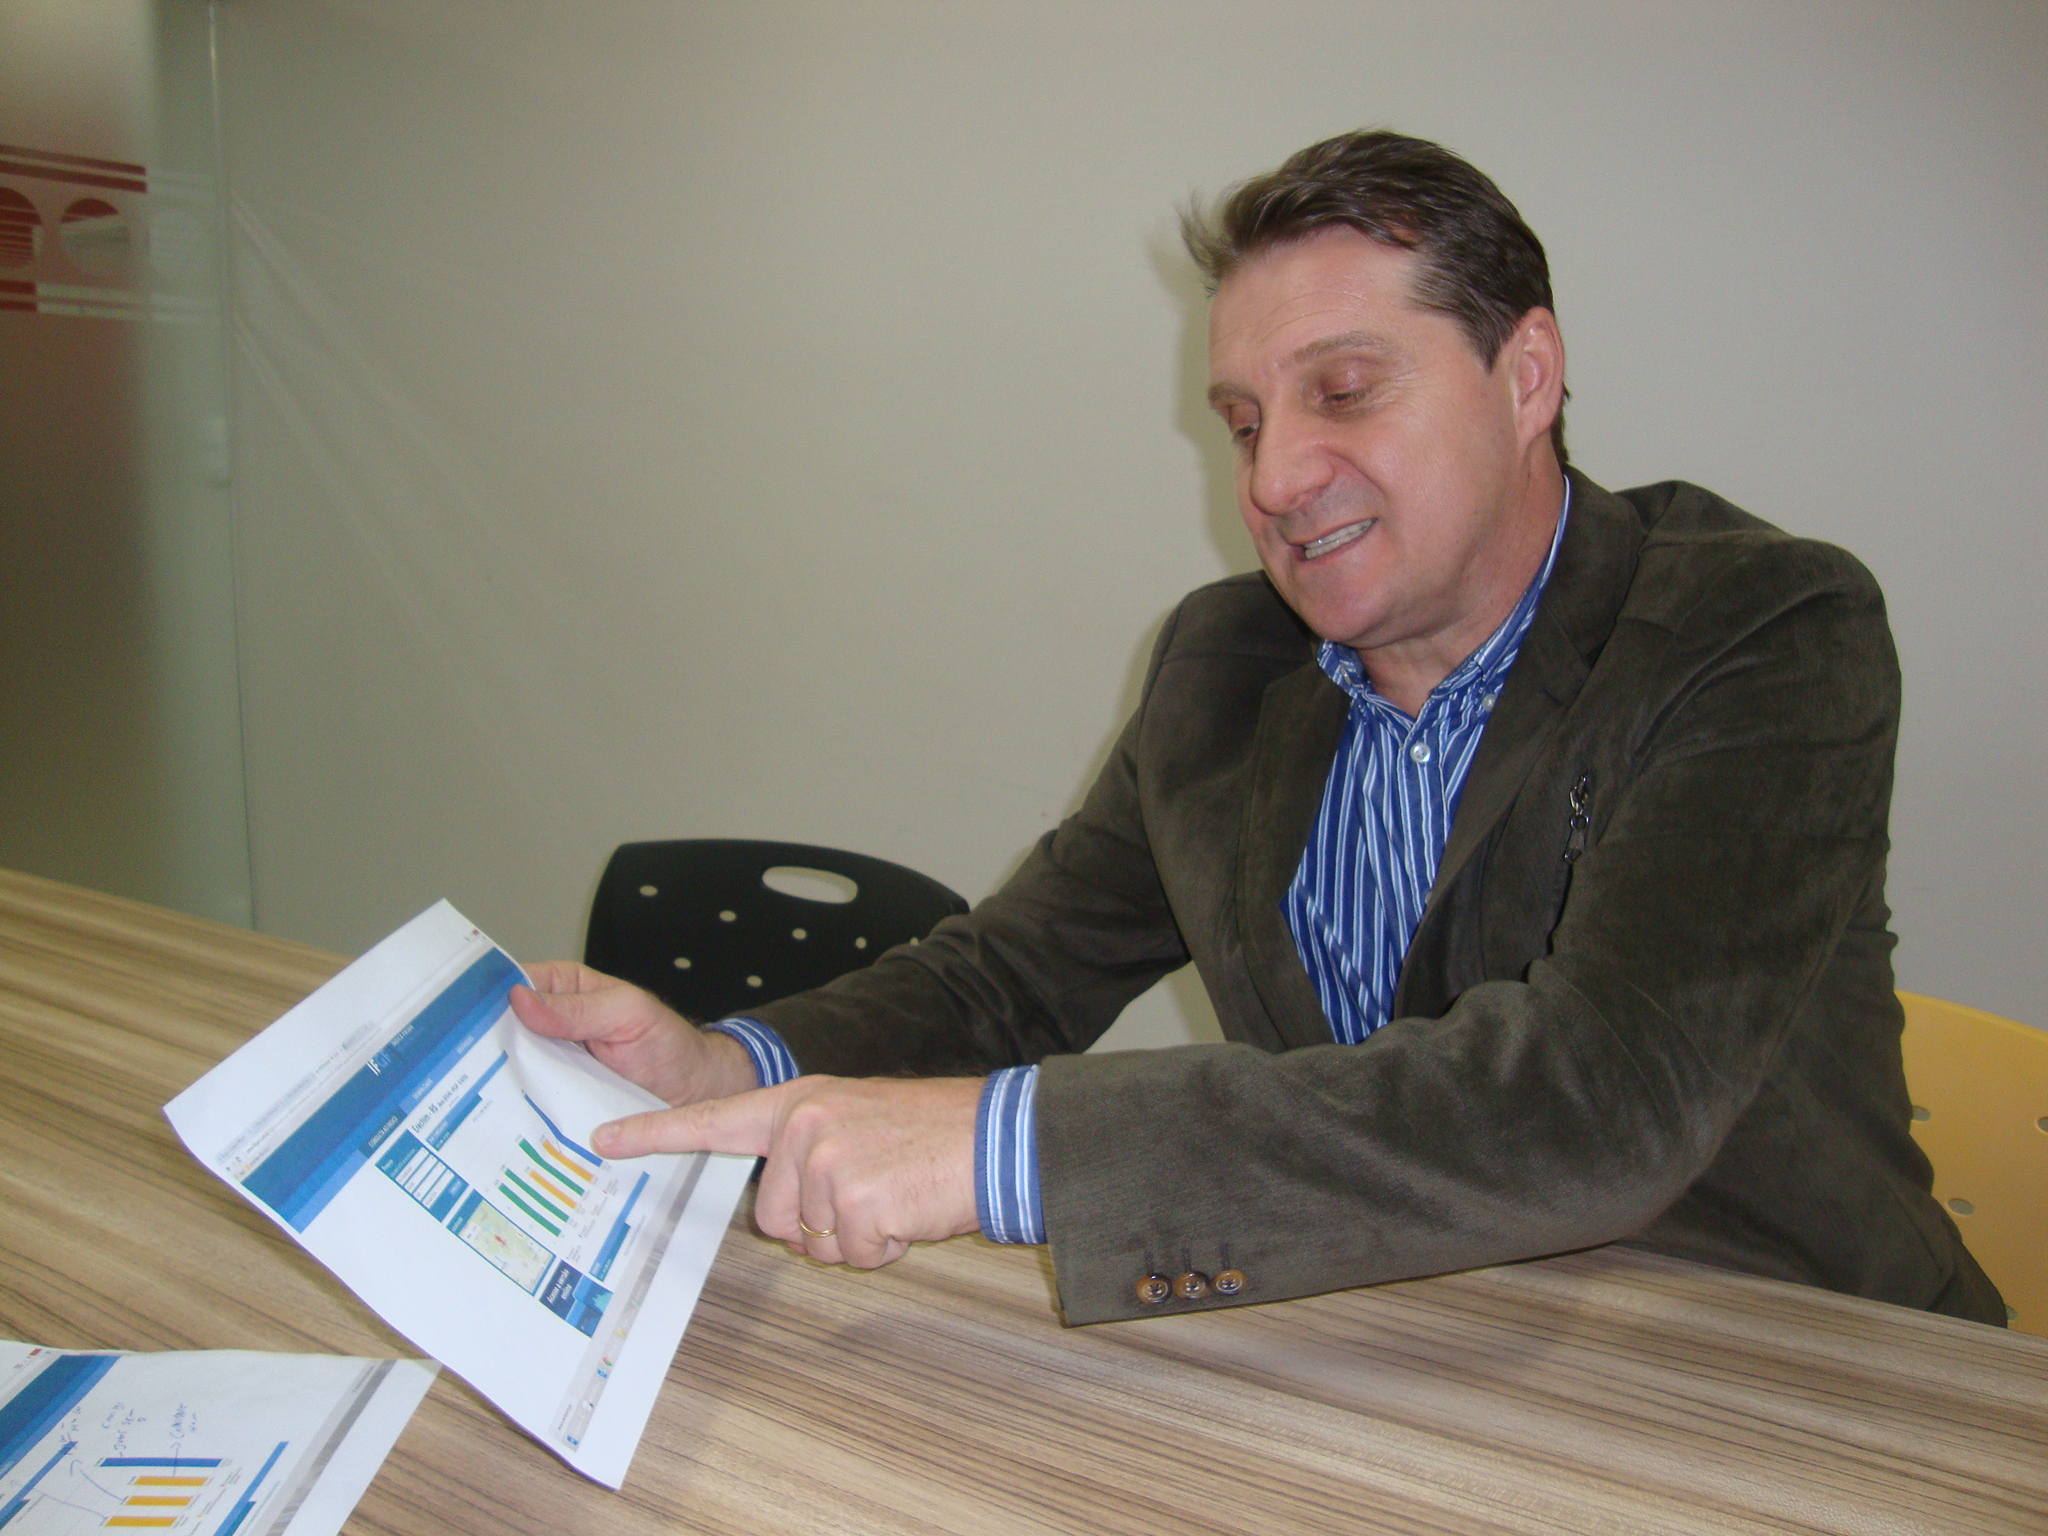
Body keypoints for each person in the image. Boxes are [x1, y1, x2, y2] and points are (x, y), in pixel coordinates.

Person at [510, 130, 2004, 1328]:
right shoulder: (1224, 667)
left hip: (1795, 1367)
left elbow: (1598, 1099)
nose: (1277, 477)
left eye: (1343, 392)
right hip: (1404, 1349)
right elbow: (1011, 978)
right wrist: (735, 1071)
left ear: (1527, 375)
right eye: (1243, 424)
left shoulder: (1762, 630)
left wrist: (1000, 1148)